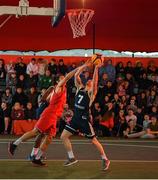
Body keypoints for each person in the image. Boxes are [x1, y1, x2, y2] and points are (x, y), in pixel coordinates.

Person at [8, 64, 84, 166]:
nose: (64, 80)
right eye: (61, 79)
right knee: (36, 133)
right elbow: (66, 78)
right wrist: (79, 68)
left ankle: (37, 157)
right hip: (48, 114)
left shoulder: (63, 90)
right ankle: (14, 144)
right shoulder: (58, 87)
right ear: (58, 81)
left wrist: (63, 116)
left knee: (48, 138)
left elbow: (53, 103)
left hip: (54, 117)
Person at [60, 58, 110, 171]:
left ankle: (105, 159)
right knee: (63, 136)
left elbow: (95, 82)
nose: (89, 80)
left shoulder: (91, 93)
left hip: (84, 120)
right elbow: (76, 75)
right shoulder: (80, 88)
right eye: (89, 79)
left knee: (93, 140)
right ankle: (71, 158)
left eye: (91, 80)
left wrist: (96, 68)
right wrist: (84, 65)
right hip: (75, 118)